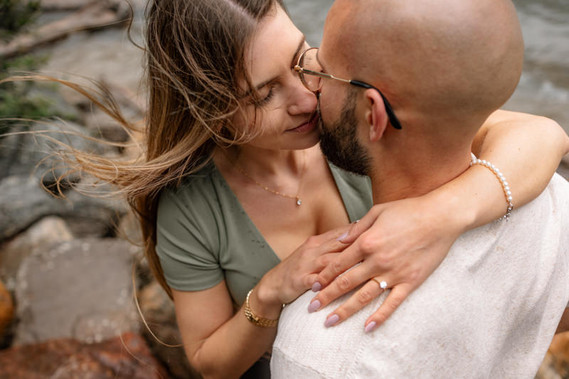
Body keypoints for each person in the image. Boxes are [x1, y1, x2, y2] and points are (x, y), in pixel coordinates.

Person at [8, 0, 565, 377]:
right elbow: (208, 362)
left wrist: (439, 215)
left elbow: (541, 133)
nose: (305, 96)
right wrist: (272, 291)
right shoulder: (192, 206)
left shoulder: (350, 118)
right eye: (262, 94)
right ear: (209, 110)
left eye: (301, 58)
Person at [270, 0, 569, 377]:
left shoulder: (321, 348)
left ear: (373, 114)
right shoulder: (552, 202)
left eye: (324, 73)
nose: (309, 87)